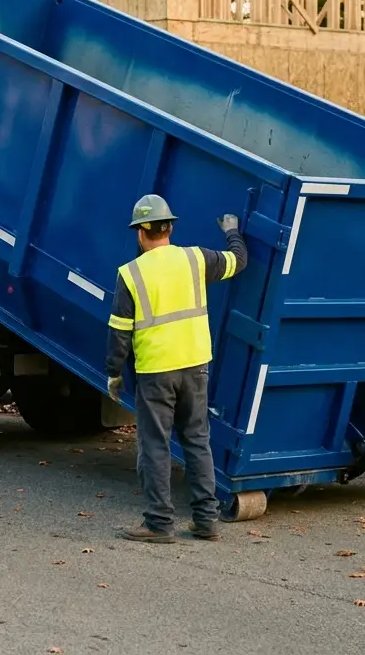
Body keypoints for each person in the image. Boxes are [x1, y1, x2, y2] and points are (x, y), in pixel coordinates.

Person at [105, 194, 247, 543]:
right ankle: (206, 520)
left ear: (141, 233)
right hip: (195, 365)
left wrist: (114, 372)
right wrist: (232, 231)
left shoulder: (131, 274)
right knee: (197, 441)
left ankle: (159, 524)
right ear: (169, 228)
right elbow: (238, 261)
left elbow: (120, 331)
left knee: (155, 446)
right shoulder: (196, 259)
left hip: (156, 372)